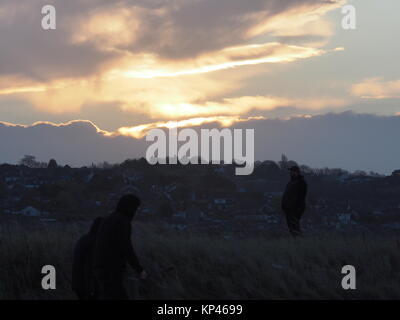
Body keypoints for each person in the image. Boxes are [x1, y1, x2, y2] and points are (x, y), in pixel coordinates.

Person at [93, 194, 147, 300]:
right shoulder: (122, 221)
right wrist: (139, 269)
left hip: (101, 267)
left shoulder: (109, 219)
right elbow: (126, 247)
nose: (136, 212)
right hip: (111, 269)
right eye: (135, 208)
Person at [72, 217, 104, 300]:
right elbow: (89, 267)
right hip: (88, 285)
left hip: (78, 283)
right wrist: (92, 288)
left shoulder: (83, 239)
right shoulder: (95, 242)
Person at [281, 166, 308, 237]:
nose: (291, 173)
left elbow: (302, 197)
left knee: (294, 225)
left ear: (297, 172)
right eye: (290, 171)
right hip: (289, 209)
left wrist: (297, 207)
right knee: (291, 226)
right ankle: (296, 240)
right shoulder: (291, 182)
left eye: (293, 171)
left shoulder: (301, 182)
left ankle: (299, 240)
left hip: (295, 209)